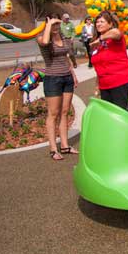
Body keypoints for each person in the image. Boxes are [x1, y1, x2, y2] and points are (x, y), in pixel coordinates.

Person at [37, 13, 79, 160]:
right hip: (53, 78)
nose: (55, 27)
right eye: (52, 24)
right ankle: (53, 149)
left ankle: (65, 146)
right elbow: (45, 41)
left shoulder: (64, 37)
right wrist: (49, 24)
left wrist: (72, 73)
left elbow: (66, 57)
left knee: (65, 112)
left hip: (66, 77)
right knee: (53, 113)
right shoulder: (43, 38)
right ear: (47, 24)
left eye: (57, 24)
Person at [90, 10, 128, 109]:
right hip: (104, 86)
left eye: (102, 22)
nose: (98, 24)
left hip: (121, 82)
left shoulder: (114, 38)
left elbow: (117, 32)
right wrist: (97, 86)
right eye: (97, 22)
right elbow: (98, 68)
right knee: (110, 115)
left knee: (122, 114)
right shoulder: (96, 44)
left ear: (110, 24)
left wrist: (101, 38)